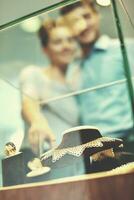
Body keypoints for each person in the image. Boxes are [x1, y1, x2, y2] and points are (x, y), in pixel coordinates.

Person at [60, 1, 134, 152]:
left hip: (128, 144)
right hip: (91, 150)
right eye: (74, 22)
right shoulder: (72, 67)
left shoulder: (125, 48)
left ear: (97, 15)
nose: (83, 25)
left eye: (87, 16)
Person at [20, 19, 80, 155]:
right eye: (57, 42)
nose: (66, 46)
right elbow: (28, 102)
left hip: (70, 157)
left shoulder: (76, 84)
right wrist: (37, 121)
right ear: (45, 49)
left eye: (70, 40)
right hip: (40, 155)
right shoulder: (34, 74)